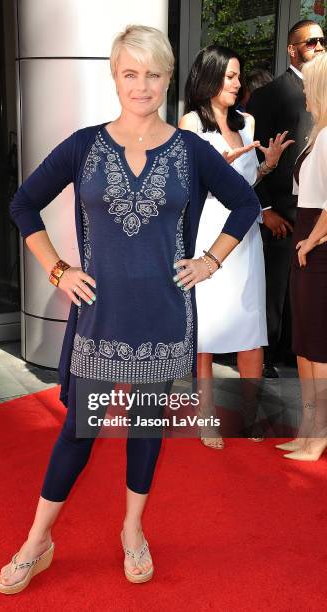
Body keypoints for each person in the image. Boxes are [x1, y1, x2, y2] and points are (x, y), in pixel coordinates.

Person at [0, 25, 260, 593]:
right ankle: (37, 541)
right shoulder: (84, 145)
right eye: (130, 73)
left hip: (165, 318)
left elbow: (245, 203)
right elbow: (22, 204)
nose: (142, 85)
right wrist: (58, 269)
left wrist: (209, 261)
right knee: (78, 432)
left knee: (145, 428)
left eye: (153, 74)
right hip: (100, 320)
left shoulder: (190, 151)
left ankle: (133, 530)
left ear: (167, 78)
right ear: (114, 75)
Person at [179, 45, 292, 449]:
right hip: (208, 234)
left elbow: (248, 187)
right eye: (229, 76)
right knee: (205, 334)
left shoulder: (248, 122)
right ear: (208, 78)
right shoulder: (190, 123)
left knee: (250, 330)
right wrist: (216, 169)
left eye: (238, 76)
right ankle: (206, 417)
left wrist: (267, 166)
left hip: (244, 242)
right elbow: (186, 188)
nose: (237, 83)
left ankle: (250, 414)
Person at [247, 19, 325, 378]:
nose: (320, 47)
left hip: (315, 217)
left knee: (305, 302)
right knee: (275, 292)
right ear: (293, 49)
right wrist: (265, 210)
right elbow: (255, 157)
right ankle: (266, 355)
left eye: (323, 41)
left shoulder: (323, 92)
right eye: (311, 42)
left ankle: (297, 355)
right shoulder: (270, 95)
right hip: (282, 214)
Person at [276, 52, 327, 461]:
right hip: (306, 244)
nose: (303, 90)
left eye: (308, 84)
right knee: (304, 346)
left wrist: (310, 242)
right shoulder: (318, 134)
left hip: (319, 249)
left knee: (319, 347)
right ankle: (308, 429)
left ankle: (320, 433)